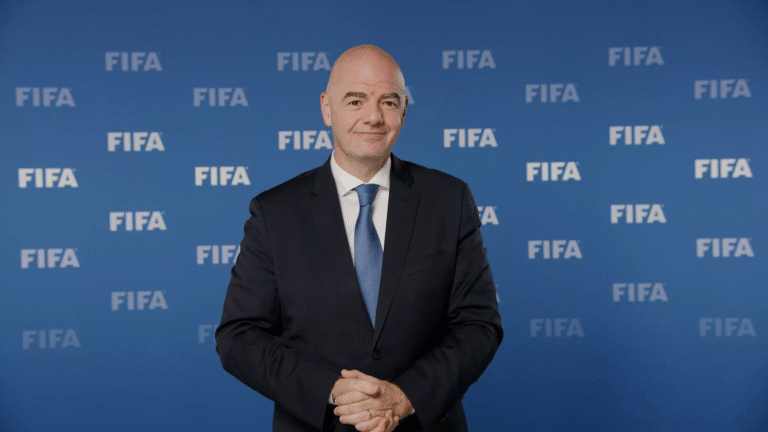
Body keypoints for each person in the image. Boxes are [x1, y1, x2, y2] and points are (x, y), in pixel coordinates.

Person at [216, 44, 503, 432]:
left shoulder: (449, 200)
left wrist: (405, 397)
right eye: (355, 100)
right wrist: (334, 391)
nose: (373, 117)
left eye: (388, 101)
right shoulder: (275, 212)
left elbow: (478, 325)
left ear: (404, 110)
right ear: (326, 108)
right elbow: (239, 337)